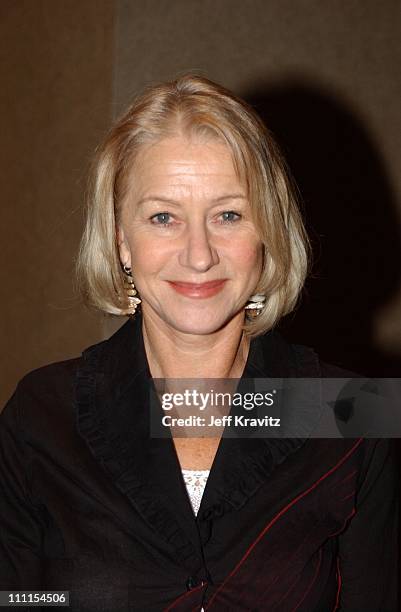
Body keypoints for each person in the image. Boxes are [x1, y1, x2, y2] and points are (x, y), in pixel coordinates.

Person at [0, 74, 398, 611]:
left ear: (268, 234)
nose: (199, 254)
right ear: (122, 241)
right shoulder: (41, 416)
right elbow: (18, 598)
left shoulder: (355, 413)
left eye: (228, 215)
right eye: (163, 217)